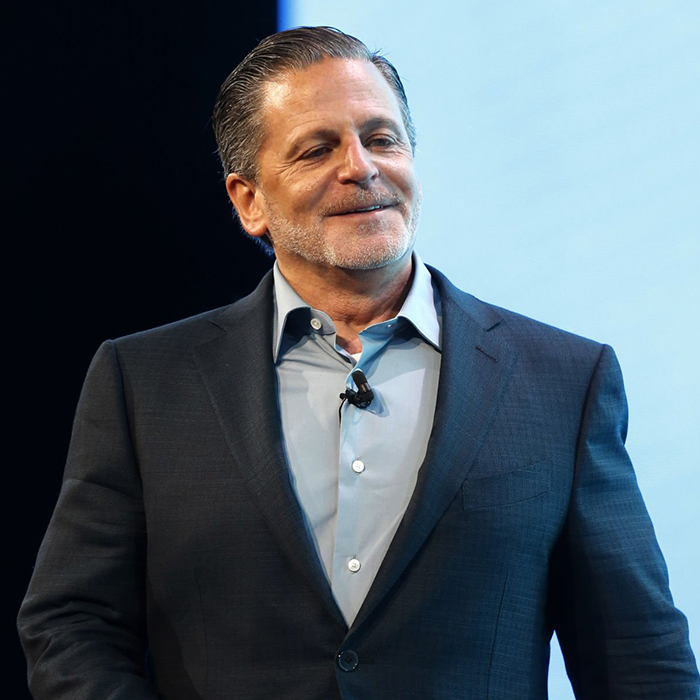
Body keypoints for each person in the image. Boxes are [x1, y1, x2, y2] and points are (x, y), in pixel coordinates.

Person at [18, 26, 699, 700]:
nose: (360, 167)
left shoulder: (562, 382)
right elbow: (72, 627)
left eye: (382, 139)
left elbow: (639, 661)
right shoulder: (145, 385)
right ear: (249, 201)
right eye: (318, 149)